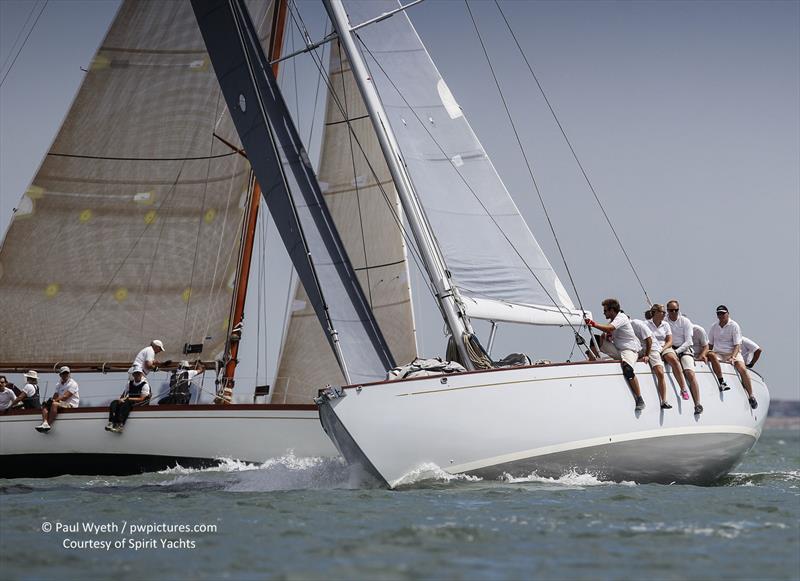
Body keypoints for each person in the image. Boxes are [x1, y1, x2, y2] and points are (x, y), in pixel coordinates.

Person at [585, 298, 645, 411]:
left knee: (627, 369)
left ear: (612, 310)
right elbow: (607, 331)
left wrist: (593, 324)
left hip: (629, 350)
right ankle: (592, 362)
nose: (603, 313)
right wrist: (604, 336)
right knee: (595, 340)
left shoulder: (621, 317)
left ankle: (639, 398)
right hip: (618, 350)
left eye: (605, 310)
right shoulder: (612, 320)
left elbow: (611, 328)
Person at [707, 305, 757, 409]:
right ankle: (721, 382)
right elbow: (710, 344)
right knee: (711, 356)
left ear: (728, 313)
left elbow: (737, 345)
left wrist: (733, 357)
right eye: (718, 313)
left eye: (723, 313)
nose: (720, 315)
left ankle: (751, 395)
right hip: (718, 353)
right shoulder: (714, 326)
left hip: (732, 352)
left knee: (742, 369)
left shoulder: (734, 325)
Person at [666, 300, 703, 414]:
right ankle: (681, 390)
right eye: (671, 310)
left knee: (690, 373)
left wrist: (677, 351)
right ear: (667, 311)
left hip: (684, 349)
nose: (673, 312)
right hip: (670, 348)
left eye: (676, 310)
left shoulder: (685, 321)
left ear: (679, 310)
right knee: (673, 363)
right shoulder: (664, 322)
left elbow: (688, 341)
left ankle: (697, 403)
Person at [630, 317, 672, 410]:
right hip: (638, 348)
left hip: (652, 348)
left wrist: (647, 355)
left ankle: (664, 401)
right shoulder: (619, 328)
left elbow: (649, 340)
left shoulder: (636, 324)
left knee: (660, 372)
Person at [106, 365, 150, 433]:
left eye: (138, 373)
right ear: (133, 374)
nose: (137, 375)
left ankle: (121, 425)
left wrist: (129, 399)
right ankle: (111, 422)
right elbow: (124, 395)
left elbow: (142, 399)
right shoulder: (129, 384)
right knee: (114, 402)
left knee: (127, 403)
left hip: (139, 403)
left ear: (141, 374)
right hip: (129, 400)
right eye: (135, 373)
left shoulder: (145, 385)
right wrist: (120, 400)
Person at [35, 367, 79, 433]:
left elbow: (65, 397)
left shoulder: (73, 384)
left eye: (67, 373)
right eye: (64, 373)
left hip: (71, 405)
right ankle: (45, 423)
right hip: (61, 403)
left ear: (69, 374)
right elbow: (55, 395)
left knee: (54, 404)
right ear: (60, 375)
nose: (65, 375)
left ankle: (48, 424)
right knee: (45, 404)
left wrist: (54, 401)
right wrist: (50, 401)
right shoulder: (58, 384)